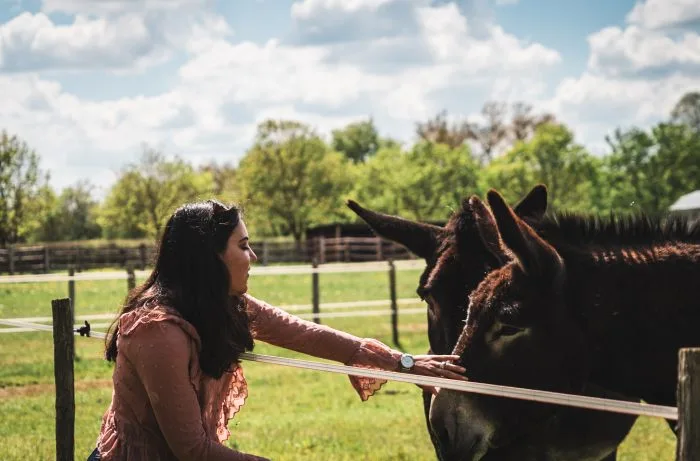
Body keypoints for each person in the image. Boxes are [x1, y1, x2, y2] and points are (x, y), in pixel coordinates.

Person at [89, 200, 466, 460]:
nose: (253, 257)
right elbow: (192, 451)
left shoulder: (220, 304)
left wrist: (405, 363)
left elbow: (302, 332)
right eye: (243, 246)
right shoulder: (157, 330)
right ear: (210, 257)